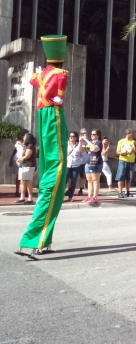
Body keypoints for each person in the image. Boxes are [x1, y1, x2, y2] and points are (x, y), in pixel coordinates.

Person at [16, 35, 69, 258]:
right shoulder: (61, 74)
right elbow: (59, 99)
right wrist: (57, 97)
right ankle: (37, 239)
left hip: (42, 117)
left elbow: (32, 81)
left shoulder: (40, 74)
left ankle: (42, 241)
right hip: (53, 116)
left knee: (51, 169)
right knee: (56, 173)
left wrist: (40, 75)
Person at [16, 133, 37, 204]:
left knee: (28, 181)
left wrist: (19, 159)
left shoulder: (30, 146)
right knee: (22, 181)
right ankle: (22, 197)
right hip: (24, 165)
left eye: (24, 136)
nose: (23, 138)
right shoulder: (26, 145)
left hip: (29, 165)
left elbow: (27, 155)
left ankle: (30, 199)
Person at [84, 129, 103, 204]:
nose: (92, 135)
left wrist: (87, 140)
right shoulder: (90, 143)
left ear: (98, 135)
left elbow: (95, 149)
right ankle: (89, 196)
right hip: (88, 162)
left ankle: (94, 197)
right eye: (91, 134)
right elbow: (84, 150)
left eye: (94, 134)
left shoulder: (99, 142)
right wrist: (82, 141)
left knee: (95, 180)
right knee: (89, 180)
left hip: (96, 163)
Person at [116, 128, 136, 198]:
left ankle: (127, 191)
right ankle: (120, 192)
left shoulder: (133, 141)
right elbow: (117, 152)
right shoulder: (121, 141)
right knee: (121, 177)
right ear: (128, 134)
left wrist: (135, 145)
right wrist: (122, 153)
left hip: (131, 161)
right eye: (131, 133)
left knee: (129, 177)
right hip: (123, 160)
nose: (132, 134)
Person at [66, 131, 86, 202]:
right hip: (67, 165)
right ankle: (60, 196)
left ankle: (70, 196)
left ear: (76, 138)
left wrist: (80, 162)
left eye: (73, 136)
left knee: (74, 181)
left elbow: (82, 153)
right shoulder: (66, 144)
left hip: (76, 165)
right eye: (70, 136)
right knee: (65, 180)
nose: (71, 138)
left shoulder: (79, 144)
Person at [10, 130, 27, 197]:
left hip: (24, 160)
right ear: (22, 136)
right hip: (17, 160)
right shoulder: (18, 142)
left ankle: (25, 191)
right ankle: (17, 191)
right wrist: (11, 159)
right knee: (18, 176)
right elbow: (15, 151)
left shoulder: (28, 143)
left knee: (25, 176)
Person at [76, 128, 90, 196]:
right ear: (80, 134)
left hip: (84, 162)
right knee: (72, 177)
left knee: (83, 177)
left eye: (86, 133)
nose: (84, 135)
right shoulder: (76, 141)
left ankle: (81, 190)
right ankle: (70, 189)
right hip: (76, 162)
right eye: (83, 133)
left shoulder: (88, 142)